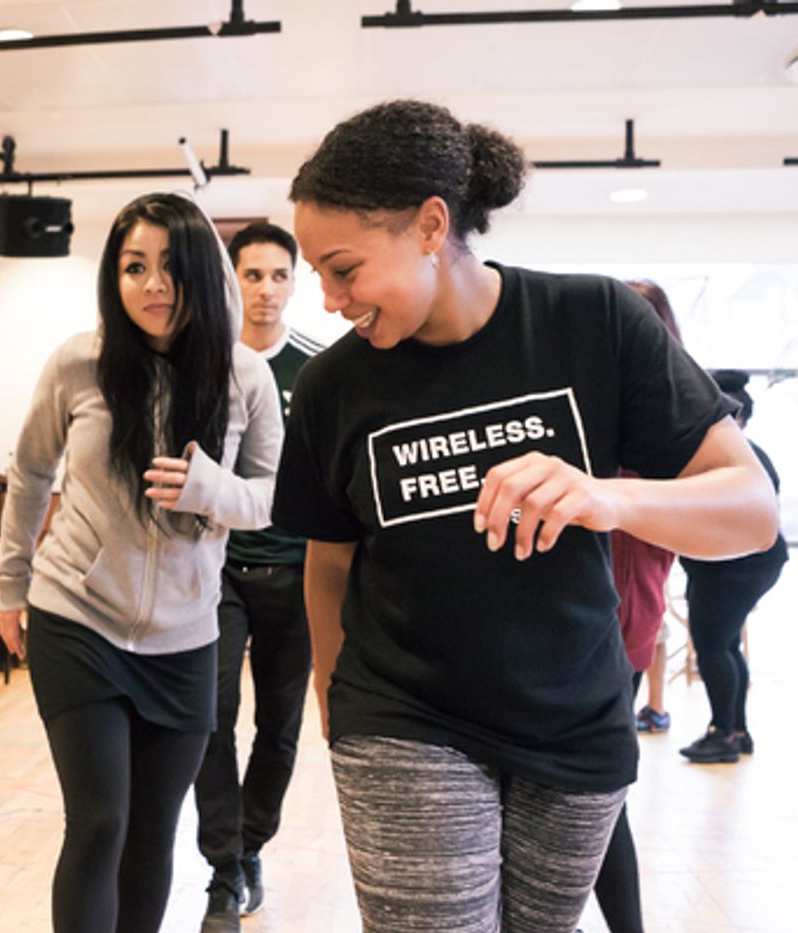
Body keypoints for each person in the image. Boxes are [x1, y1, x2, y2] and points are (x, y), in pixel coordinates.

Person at [274, 99, 780, 932]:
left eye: (344, 268)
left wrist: (606, 495)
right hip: (404, 715)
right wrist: (337, 696)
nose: (328, 299)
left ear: (431, 226)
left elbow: (751, 509)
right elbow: (328, 559)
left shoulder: (594, 322)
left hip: (574, 719)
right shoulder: (334, 386)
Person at [0, 192, 283, 933]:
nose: (153, 284)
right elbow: (29, 473)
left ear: (199, 273)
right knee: (99, 821)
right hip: (77, 618)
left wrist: (208, 487)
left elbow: (273, 497)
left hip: (185, 636)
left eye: (168, 267)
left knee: (155, 832)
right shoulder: (80, 362)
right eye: (133, 267)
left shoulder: (245, 375)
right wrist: (10, 584)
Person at [191, 221, 321, 932]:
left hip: (299, 573)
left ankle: (250, 843)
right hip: (219, 572)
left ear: (294, 284)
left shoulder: (320, 369)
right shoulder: (208, 368)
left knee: (279, 726)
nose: (265, 290)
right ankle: (220, 866)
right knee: (210, 717)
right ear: (231, 281)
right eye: (252, 275)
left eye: (279, 275)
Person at [592, 280, 684, 933]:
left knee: (597, 798)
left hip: (613, 631)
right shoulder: (605, 410)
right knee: (595, 798)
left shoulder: (662, 423)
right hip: (601, 629)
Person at [677, 370, 788, 764]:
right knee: (725, 645)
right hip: (742, 565)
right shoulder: (749, 453)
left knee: (711, 646)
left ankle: (722, 733)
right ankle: (737, 731)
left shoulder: (736, 457)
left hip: (732, 568)